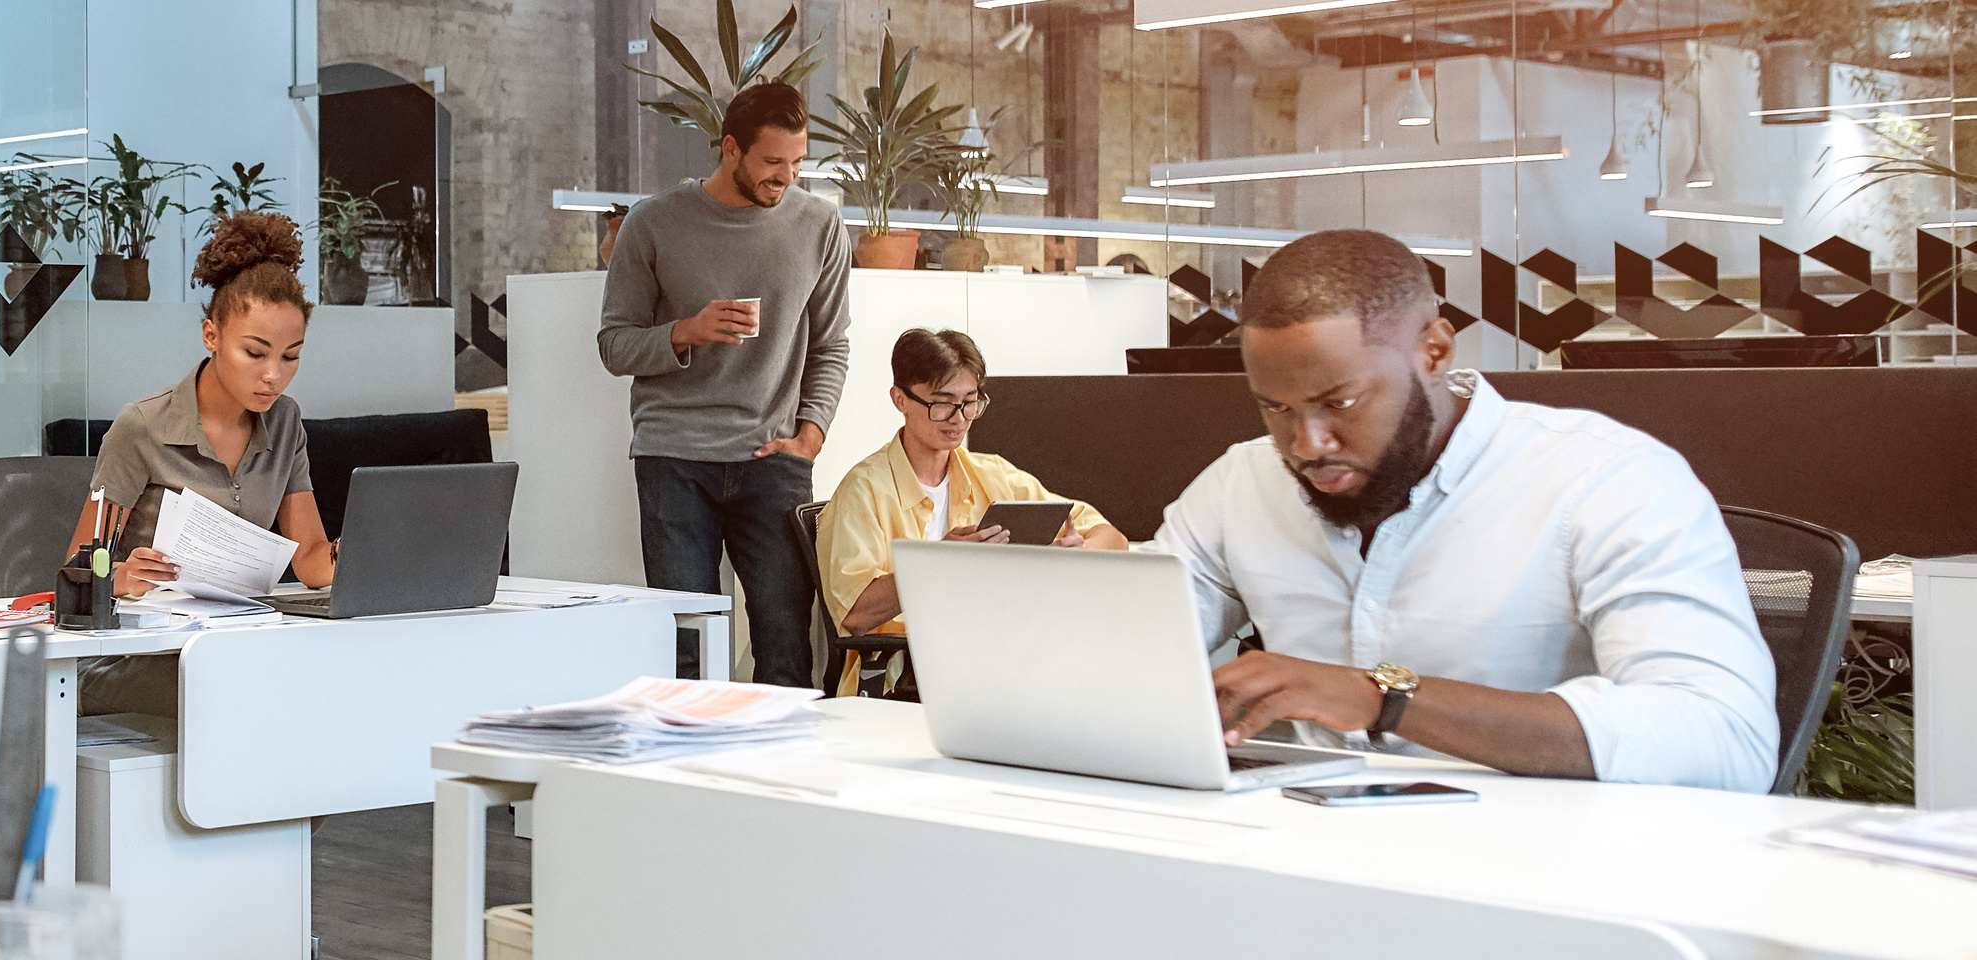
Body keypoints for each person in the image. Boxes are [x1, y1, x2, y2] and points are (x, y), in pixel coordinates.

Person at [1165, 229, 1777, 791]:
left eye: (1341, 401)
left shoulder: (1606, 479)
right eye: (1276, 408)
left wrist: (1385, 700)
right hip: (1305, 851)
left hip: (1542, 866)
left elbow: (1724, 739)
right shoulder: (1240, 485)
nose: (1307, 445)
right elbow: (1124, 658)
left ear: (1434, 351)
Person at [596, 82, 852, 685]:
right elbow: (614, 345)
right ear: (731, 149)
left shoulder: (820, 224)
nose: (786, 177)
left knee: (787, 648)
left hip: (774, 460)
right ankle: (688, 773)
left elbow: (832, 343)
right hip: (673, 458)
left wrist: (810, 436)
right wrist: (685, 331)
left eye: (796, 162)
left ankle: (771, 776)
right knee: (685, 647)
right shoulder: (653, 223)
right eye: (772, 162)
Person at [82, 211, 340, 599]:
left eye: (290, 357)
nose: (273, 375)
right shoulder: (142, 425)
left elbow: (311, 562)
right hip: (148, 644)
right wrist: (120, 575)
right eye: (255, 353)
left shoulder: (284, 421)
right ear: (211, 336)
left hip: (237, 638)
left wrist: (360, 549)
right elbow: (80, 569)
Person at [817, 328, 1125, 641]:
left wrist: (1079, 552)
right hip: (905, 669)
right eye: (943, 403)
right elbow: (854, 614)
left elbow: (1113, 538)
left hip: (999, 647)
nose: (959, 419)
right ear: (901, 400)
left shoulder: (993, 474)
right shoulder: (863, 490)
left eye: (970, 402)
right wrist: (939, 564)